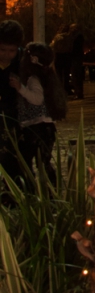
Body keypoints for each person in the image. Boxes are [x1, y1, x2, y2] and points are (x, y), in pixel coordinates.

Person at [10, 42, 67, 174]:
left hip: (36, 128)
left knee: (27, 162)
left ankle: (34, 184)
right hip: (47, 128)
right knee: (43, 163)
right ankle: (50, 185)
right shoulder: (47, 77)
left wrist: (20, 88)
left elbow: (37, 99)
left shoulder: (33, 79)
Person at [0, 18, 24, 180]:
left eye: (11, 51)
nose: (6, 54)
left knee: (14, 156)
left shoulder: (22, 62)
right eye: (2, 50)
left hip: (15, 114)